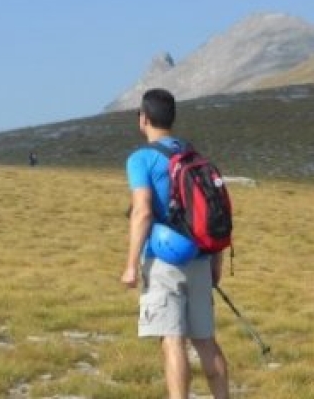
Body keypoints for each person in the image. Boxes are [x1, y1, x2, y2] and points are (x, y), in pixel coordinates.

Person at [120, 88, 230, 398]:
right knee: (205, 341)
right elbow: (211, 208)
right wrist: (215, 262)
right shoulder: (193, 155)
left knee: (172, 339)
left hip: (164, 261)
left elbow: (141, 210)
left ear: (143, 119)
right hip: (199, 259)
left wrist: (130, 266)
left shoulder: (141, 158)